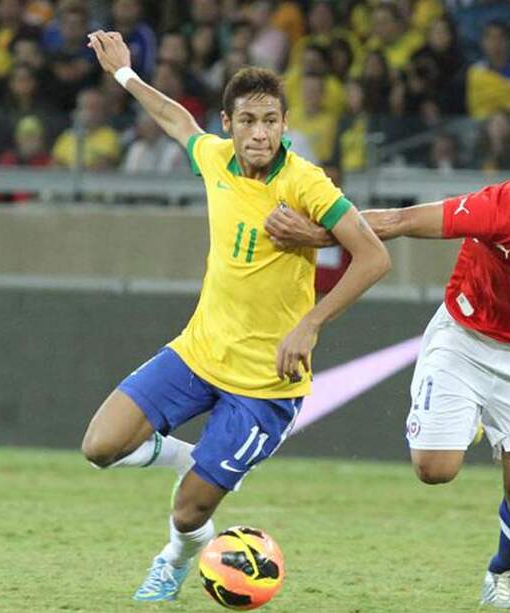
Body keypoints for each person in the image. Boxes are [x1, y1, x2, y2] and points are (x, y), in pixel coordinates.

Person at [265, 106, 510, 609]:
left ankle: (504, 572)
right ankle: (467, 415)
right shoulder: (498, 205)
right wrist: (319, 235)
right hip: (465, 342)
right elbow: (404, 220)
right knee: (434, 469)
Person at [79, 30, 391, 603]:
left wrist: (312, 322)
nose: (259, 133)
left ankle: (172, 562)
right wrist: (124, 74)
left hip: (265, 383)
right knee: (100, 447)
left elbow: (374, 256)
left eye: (270, 120)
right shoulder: (215, 159)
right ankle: (195, 459)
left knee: (189, 508)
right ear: (229, 124)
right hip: (199, 352)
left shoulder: (307, 183)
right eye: (247, 121)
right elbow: (175, 120)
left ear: (285, 123)